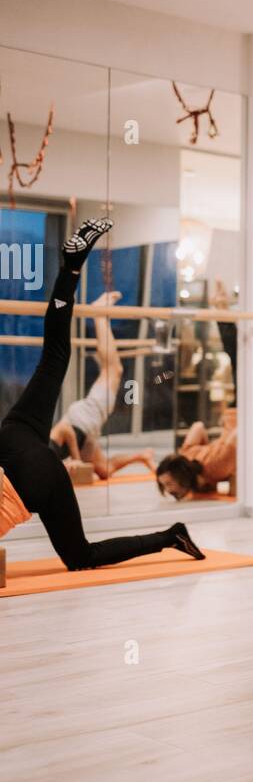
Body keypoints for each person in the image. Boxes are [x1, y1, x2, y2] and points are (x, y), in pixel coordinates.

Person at [0, 220, 204, 569]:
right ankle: (71, 268)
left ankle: (171, 536)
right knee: (54, 359)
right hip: (13, 440)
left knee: (83, 557)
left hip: (30, 478)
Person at [48, 291, 156, 479]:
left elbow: (64, 429)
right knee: (104, 470)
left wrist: (76, 458)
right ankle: (142, 456)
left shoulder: (46, 449)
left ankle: (99, 315)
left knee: (114, 369)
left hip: (82, 419)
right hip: (87, 429)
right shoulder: (44, 463)